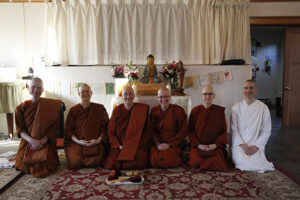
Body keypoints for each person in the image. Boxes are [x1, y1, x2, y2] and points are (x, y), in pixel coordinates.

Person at [14, 77, 61, 177]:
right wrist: (31, 141)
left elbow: (54, 127)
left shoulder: (51, 106)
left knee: (49, 164)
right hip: (28, 142)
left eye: (39, 88)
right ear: (28, 87)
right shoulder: (21, 108)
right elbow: (20, 129)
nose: (36, 90)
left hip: (45, 141)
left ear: (43, 89)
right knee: (22, 164)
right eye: (33, 87)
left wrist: (43, 141)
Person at [104, 86, 153, 170]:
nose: (128, 97)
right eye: (125, 94)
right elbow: (110, 132)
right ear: (122, 96)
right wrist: (118, 145)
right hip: (120, 146)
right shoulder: (117, 110)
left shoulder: (141, 110)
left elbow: (148, 131)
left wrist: (137, 145)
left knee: (137, 162)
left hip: (136, 146)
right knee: (111, 163)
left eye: (130, 94)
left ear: (134, 95)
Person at [231, 80, 274, 172]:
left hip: (255, 143)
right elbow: (234, 129)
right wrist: (242, 144)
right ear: (243, 90)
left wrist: (256, 146)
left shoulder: (263, 108)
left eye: (251, 88)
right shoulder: (236, 108)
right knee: (242, 161)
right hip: (240, 144)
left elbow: (266, 130)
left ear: (256, 90)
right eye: (246, 88)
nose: (248, 91)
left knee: (258, 161)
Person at [64, 84, 109, 169]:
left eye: (87, 91)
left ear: (91, 93)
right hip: (78, 142)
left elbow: (105, 127)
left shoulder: (99, 108)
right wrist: (78, 141)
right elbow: (68, 130)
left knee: (100, 159)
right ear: (79, 94)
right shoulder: (73, 110)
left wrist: (98, 140)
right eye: (82, 92)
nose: (85, 94)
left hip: (95, 141)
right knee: (75, 162)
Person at [188, 86, 228, 170]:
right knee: (195, 162)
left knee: (218, 163)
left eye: (210, 94)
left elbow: (223, 131)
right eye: (205, 94)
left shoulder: (219, 111)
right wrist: (198, 145)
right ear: (201, 96)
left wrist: (215, 144)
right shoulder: (195, 111)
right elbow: (190, 130)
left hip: (213, 146)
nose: (207, 96)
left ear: (214, 96)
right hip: (198, 145)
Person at [150, 88, 187, 168]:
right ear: (157, 98)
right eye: (161, 97)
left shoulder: (178, 111)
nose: (163, 99)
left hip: (173, 144)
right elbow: (151, 130)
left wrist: (170, 144)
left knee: (172, 161)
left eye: (166, 96)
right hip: (158, 144)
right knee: (154, 161)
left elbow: (183, 131)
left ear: (170, 97)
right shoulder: (154, 111)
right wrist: (157, 144)